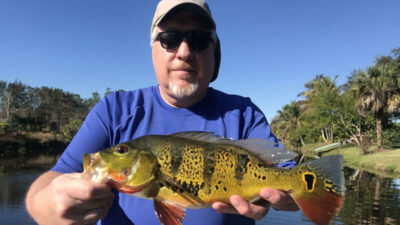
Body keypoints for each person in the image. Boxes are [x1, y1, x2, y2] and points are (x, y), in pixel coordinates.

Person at [26, 0, 299, 224]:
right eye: (169, 39)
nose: (184, 52)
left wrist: (285, 196)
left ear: (215, 53)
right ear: (153, 51)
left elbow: (294, 184)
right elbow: (46, 185)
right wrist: (47, 206)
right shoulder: (114, 111)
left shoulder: (244, 114)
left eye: (199, 40)